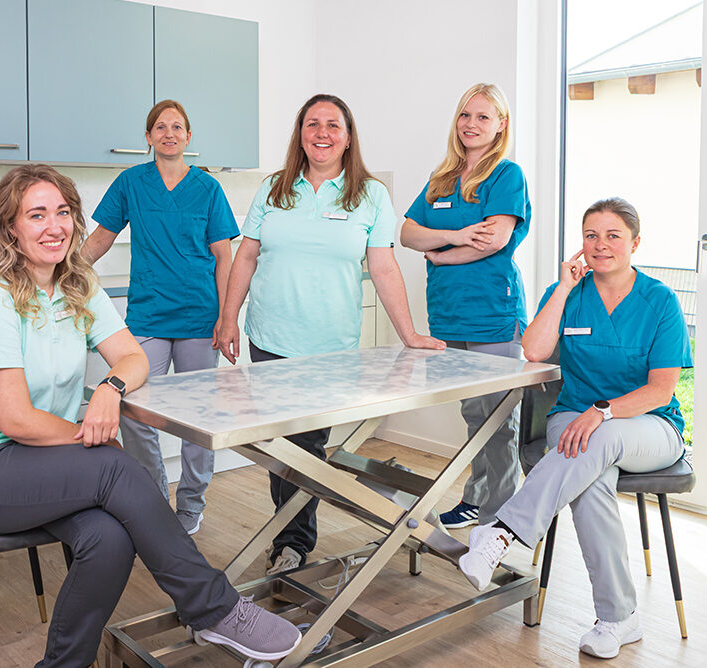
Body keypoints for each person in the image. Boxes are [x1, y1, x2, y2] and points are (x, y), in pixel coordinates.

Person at [0, 164, 301, 667]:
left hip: (47, 463)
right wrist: (94, 439)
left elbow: (132, 357)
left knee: (109, 539)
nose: (54, 226)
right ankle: (213, 608)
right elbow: (15, 419)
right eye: (36, 215)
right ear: (9, 228)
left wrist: (110, 387)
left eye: (63, 212)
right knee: (113, 465)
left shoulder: (77, 287)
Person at [217, 93, 444, 576]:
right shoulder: (274, 188)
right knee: (284, 447)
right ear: (300, 134)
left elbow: (383, 268)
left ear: (347, 136)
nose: (322, 133)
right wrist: (228, 316)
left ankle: (295, 540)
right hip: (270, 339)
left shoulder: (370, 195)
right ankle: (291, 543)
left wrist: (409, 334)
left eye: (332, 125)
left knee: (305, 447)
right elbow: (247, 255)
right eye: (313, 124)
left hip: (330, 349)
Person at [459, 198, 690, 659]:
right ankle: (618, 619)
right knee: (591, 483)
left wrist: (602, 411)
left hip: (649, 427)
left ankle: (501, 532)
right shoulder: (568, 292)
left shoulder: (660, 300)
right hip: (574, 421)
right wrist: (564, 288)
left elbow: (660, 390)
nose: (600, 245)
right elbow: (534, 350)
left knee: (599, 438)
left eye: (613, 236)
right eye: (591, 236)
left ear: (635, 243)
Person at [82, 100, 238, 535]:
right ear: (148, 137)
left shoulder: (208, 189)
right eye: (160, 127)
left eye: (177, 127)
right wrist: (61, 273)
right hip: (149, 314)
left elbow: (223, 256)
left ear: (188, 137)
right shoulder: (131, 183)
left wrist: (227, 316)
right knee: (135, 411)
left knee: (198, 418)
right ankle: (152, 498)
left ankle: (191, 504)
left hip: (199, 316)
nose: (169, 134)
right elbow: (100, 239)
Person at [400, 83, 531, 530]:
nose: (471, 124)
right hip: (448, 312)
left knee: (499, 417)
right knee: (474, 413)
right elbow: (408, 233)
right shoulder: (442, 178)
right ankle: (477, 498)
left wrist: (439, 255)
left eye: (483, 117)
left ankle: (502, 517)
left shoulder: (507, 175)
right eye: (465, 115)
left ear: (501, 125)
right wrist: (454, 236)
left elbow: (493, 240)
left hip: (492, 311)